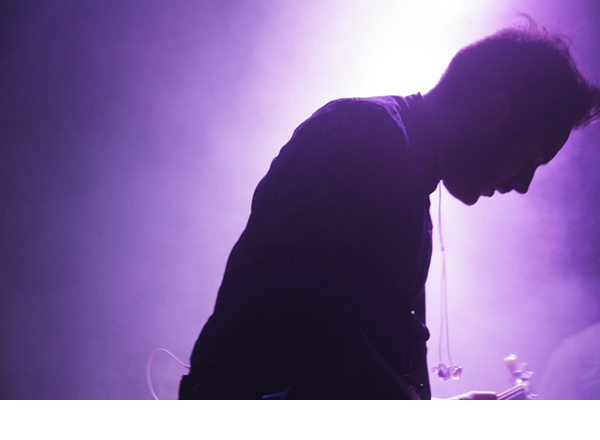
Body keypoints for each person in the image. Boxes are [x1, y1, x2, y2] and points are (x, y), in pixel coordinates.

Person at [180, 23, 600, 399]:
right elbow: (302, 307)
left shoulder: (410, 183)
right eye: (530, 159)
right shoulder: (363, 131)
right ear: (493, 114)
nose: (523, 184)